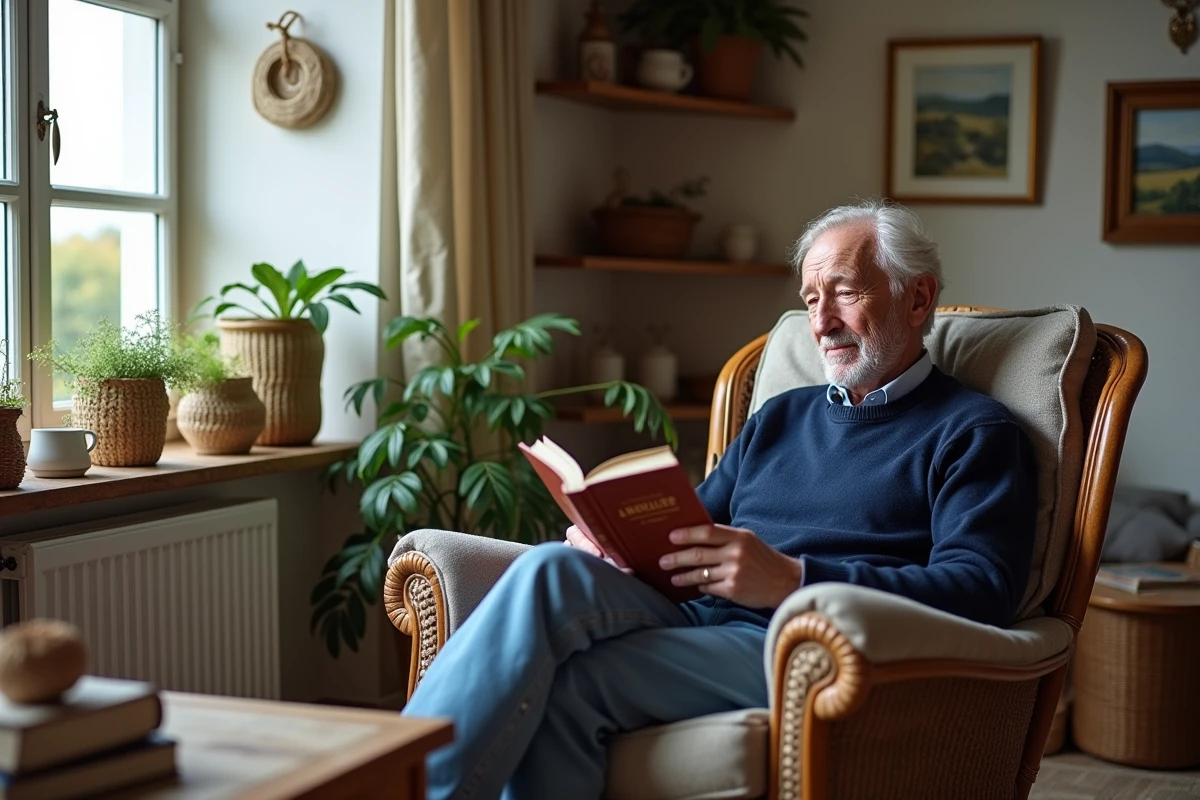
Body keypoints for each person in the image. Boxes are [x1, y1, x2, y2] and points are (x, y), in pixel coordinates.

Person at [402, 198, 1038, 800]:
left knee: (572, 686)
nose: (821, 321)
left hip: (804, 648)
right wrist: (614, 539)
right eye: (811, 299)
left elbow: (982, 585)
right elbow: (694, 522)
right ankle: (391, 778)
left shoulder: (972, 432)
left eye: (844, 291)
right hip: (700, 617)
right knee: (550, 568)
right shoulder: (782, 418)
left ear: (917, 296)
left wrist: (792, 579)